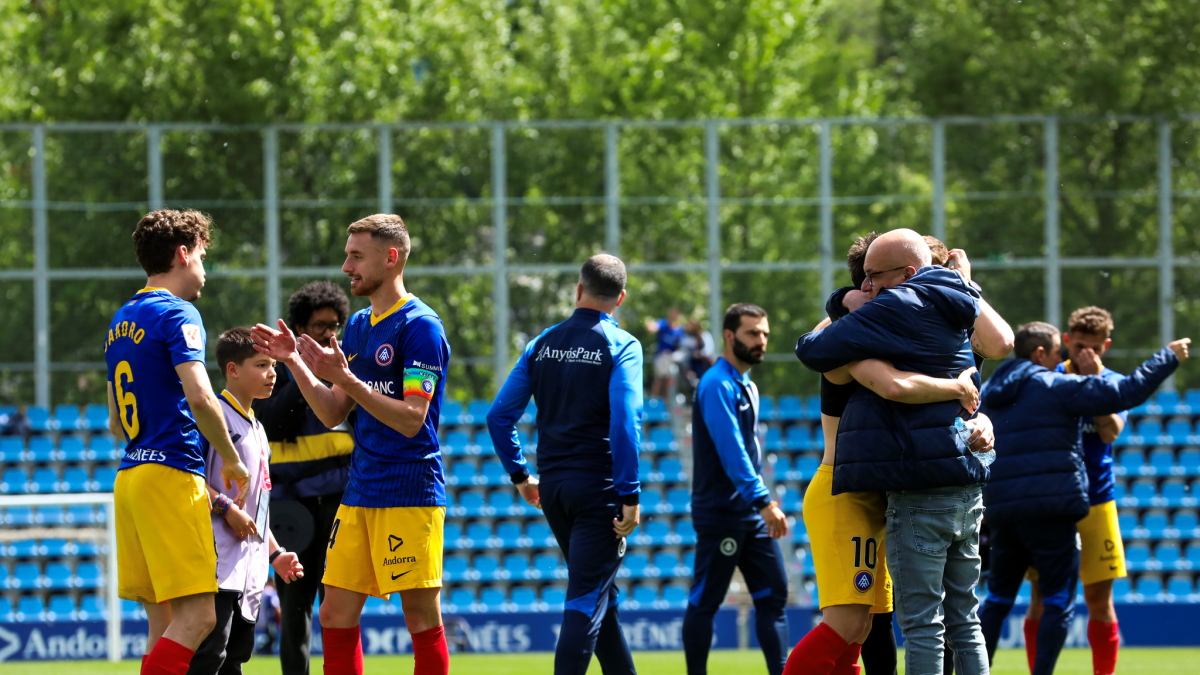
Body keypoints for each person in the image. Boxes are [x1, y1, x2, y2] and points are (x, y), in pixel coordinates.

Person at [794, 228, 1013, 675]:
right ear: (868, 285)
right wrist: (956, 388)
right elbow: (890, 383)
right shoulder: (859, 333)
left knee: (870, 630)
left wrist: (976, 413)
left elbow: (998, 343)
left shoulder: (911, 330)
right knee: (853, 623)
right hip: (845, 494)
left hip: (889, 495)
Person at [251, 214, 452, 675]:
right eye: (347, 255)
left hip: (409, 492)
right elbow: (332, 412)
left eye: (356, 256)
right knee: (333, 614)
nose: (346, 266)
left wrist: (345, 377)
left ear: (391, 257)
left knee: (420, 618)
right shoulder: (360, 326)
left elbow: (411, 419)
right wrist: (297, 364)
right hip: (360, 491)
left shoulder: (421, 326)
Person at [977, 322, 1188, 675]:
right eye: (1062, 352)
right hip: (1055, 506)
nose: (1066, 359)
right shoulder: (1056, 384)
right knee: (1056, 600)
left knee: (998, 599)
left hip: (1005, 511)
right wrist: (1165, 358)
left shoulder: (989, 391)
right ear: (1043, 352)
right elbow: (1129, 392)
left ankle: (971, 670)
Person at [104, 209, 251, 675]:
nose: (204, 271)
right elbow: (202, 396)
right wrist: (232, 460)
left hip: (131, 477)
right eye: (203, 257)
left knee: (162, 618)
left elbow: (114, 421)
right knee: (200, 616)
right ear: (183, 254)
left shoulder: (121, 320)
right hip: (170, 474)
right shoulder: (177, 311)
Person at [486, 254, 642, 675]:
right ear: (620, 298)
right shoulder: (623, 345)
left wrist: (521, 475)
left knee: (599, 597)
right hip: (600, 490)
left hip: (553, 489)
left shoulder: (541, 343)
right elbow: (626, 422)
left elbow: (499, 417)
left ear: (579, 290)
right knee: (586, 599)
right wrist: (629, 493)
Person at [1021, 306, 1129, 675]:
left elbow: (1110, 432)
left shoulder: (1112, 381)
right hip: (1050, 504)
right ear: (1066, 341)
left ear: (1107, 346)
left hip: (1097, 501)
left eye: (1096, 348)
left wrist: (1095, 381)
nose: (1088, 355)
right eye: (1081, 346)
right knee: (1042, 598)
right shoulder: (1047, 379)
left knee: (1100, 601)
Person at [252, 280, 354, 675]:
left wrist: (336, 376)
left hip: (338, 503)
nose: (329, 334)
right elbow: (271, 422)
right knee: (295, 612)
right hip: (290, 507)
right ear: (298, 330)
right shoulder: (274, 372)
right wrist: (303, 369)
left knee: (338, 609)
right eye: (319, 326)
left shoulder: (346, 370)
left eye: (334, 325)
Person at [190, 327, 305, 675]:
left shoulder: (257, 425)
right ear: (232, 370)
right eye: (261, 365)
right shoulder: (213, 417)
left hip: (249, 570)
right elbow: (186, 480)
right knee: (209, 656)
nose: (272, 373)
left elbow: (259, 505)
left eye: (273, 365)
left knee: (234, 658)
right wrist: (226, 509)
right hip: (216, 564)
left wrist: (275, 554)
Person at [682, 303, 789, 675]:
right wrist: (764, 501)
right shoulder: (715, 384)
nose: (761, 341)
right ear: (729, 336)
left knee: (773, 597)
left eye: (764, 334)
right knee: (705, 602)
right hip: (721, 514)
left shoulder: (748, 385)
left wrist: (760, 505)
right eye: (752, 333)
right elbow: (732, 452)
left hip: (750, 514)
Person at [645, 308, 685, 399]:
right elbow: (652, 328)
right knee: (658, 380)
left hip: (671, 358)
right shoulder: (663, 324)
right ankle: (654, 401)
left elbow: (680, 346)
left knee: (669, 382)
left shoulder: (679, 329)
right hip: (661, 357)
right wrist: (649, 323)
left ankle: (668, 403)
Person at [680, 319, 716, 394]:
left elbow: (709, 350)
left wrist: (700, 354)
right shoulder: (686, 337)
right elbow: (683, 351)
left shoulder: (705, 335)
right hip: (691, 365)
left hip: (703, 365)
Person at [258, 580, 281, 656]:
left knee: (269, 638)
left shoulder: (262, 590)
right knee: (272, 638)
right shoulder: (270, 591)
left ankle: (262, 651)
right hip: (269, 620)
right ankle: (261, 651)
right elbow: (276, 607)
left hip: (258, 618)